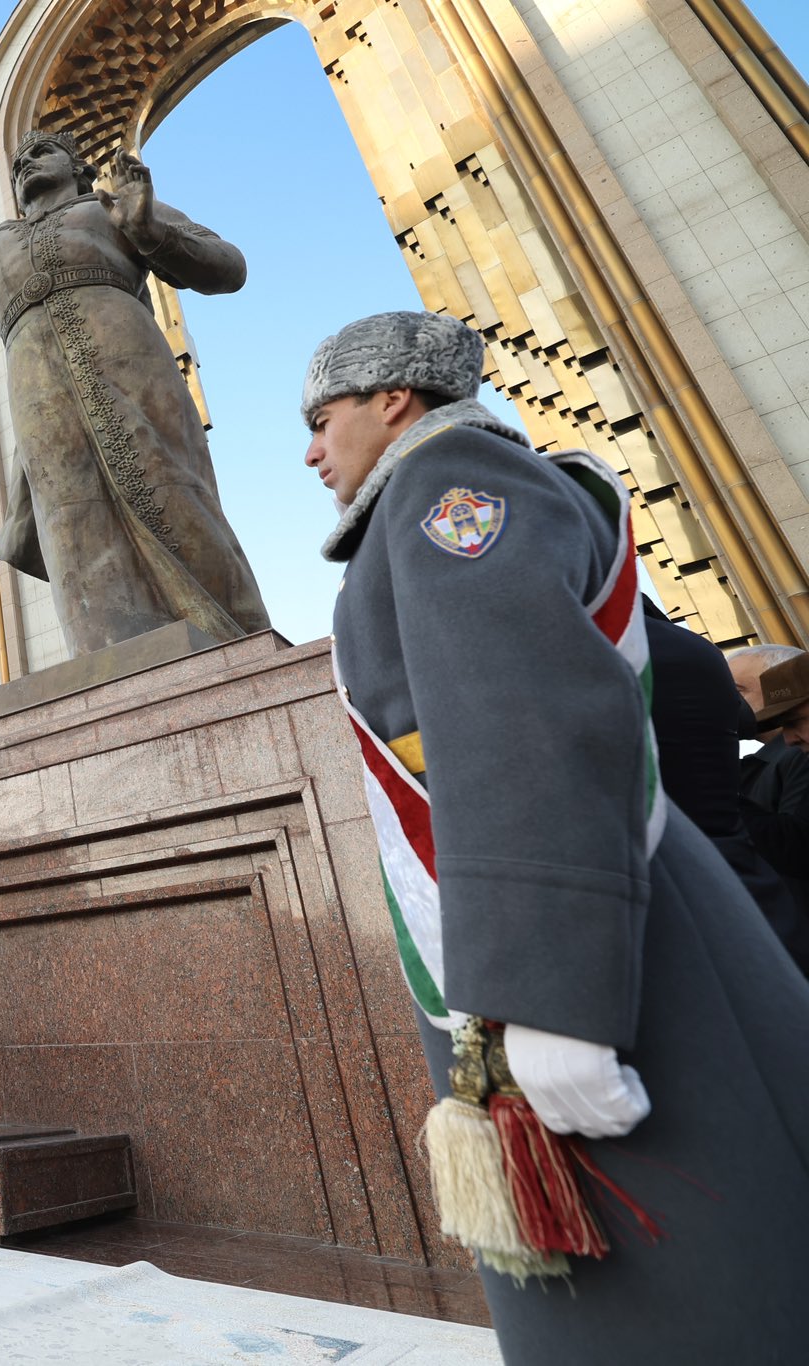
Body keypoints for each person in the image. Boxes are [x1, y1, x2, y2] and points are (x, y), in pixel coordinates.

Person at [304, 309, 809, 1360]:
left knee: (701, 1284)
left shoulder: (447, 494)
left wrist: (547, 998)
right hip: (579, 928)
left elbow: (519, 720)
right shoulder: (425, 503)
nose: (311, 450)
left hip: (598, 956)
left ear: (391, 399)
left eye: (320, 417)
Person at [0, 102, 269, 655]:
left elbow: (228, 267)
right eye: (17, 161)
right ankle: (115, 676)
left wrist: (146, 228)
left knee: (177, 502)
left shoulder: (109, 209)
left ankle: (246, 653)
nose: (24, 164)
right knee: (76, 536)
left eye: (41, 152)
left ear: (77, 167)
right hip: (42, 405)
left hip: (135, 375)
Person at [642, 604, 809, 975]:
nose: (722, 700)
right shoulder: (759, 764)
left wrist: (712, 793)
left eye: (736, 690)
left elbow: (796, 842)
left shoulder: (791, 759)